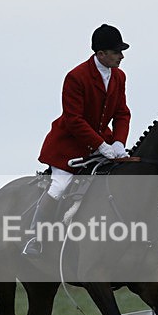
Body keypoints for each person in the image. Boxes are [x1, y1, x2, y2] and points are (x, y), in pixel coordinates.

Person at [23, 24, 131, 257]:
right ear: (101, 54)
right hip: (69, 146)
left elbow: (122, 113)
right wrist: (101, 145)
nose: (121, 56)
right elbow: (73, 119)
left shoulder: (119, 77)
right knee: (60, 185)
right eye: (116, 52)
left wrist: (119, 143)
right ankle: (36, 238)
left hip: (104, 143)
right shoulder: (76, 77)